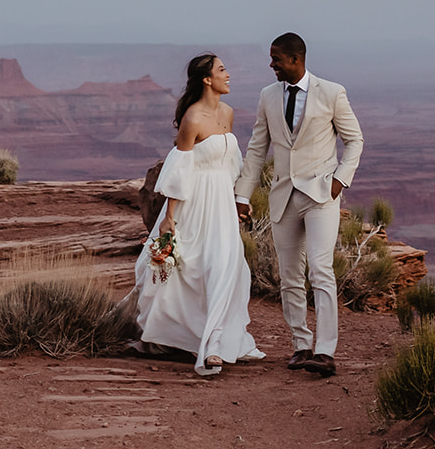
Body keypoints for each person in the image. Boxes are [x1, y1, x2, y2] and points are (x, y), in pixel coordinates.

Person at [235, 32, 363, 378]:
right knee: (289, 276)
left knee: (321, 270)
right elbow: (256, 149)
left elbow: (354, 140)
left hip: (321, 195)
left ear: (295, 59)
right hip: (282, 195)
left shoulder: (332, 93)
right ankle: (301, 345)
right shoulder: (267, 96)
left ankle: (325, 351)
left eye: (276, 58)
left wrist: (340, 179)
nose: (271, 64)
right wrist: (243, 195)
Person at [134, 53, 264, 377]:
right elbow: (180, 171)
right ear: (207, 79)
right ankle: (181, 337)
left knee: (226, 267)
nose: (228, 74)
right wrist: (169, 218)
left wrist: (239, 201)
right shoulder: (192, 118)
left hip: (221, 203)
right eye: (222, 70)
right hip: (194, 205)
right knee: (188, 269)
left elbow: (230, 165)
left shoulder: (229, 114)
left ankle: (215, 344)